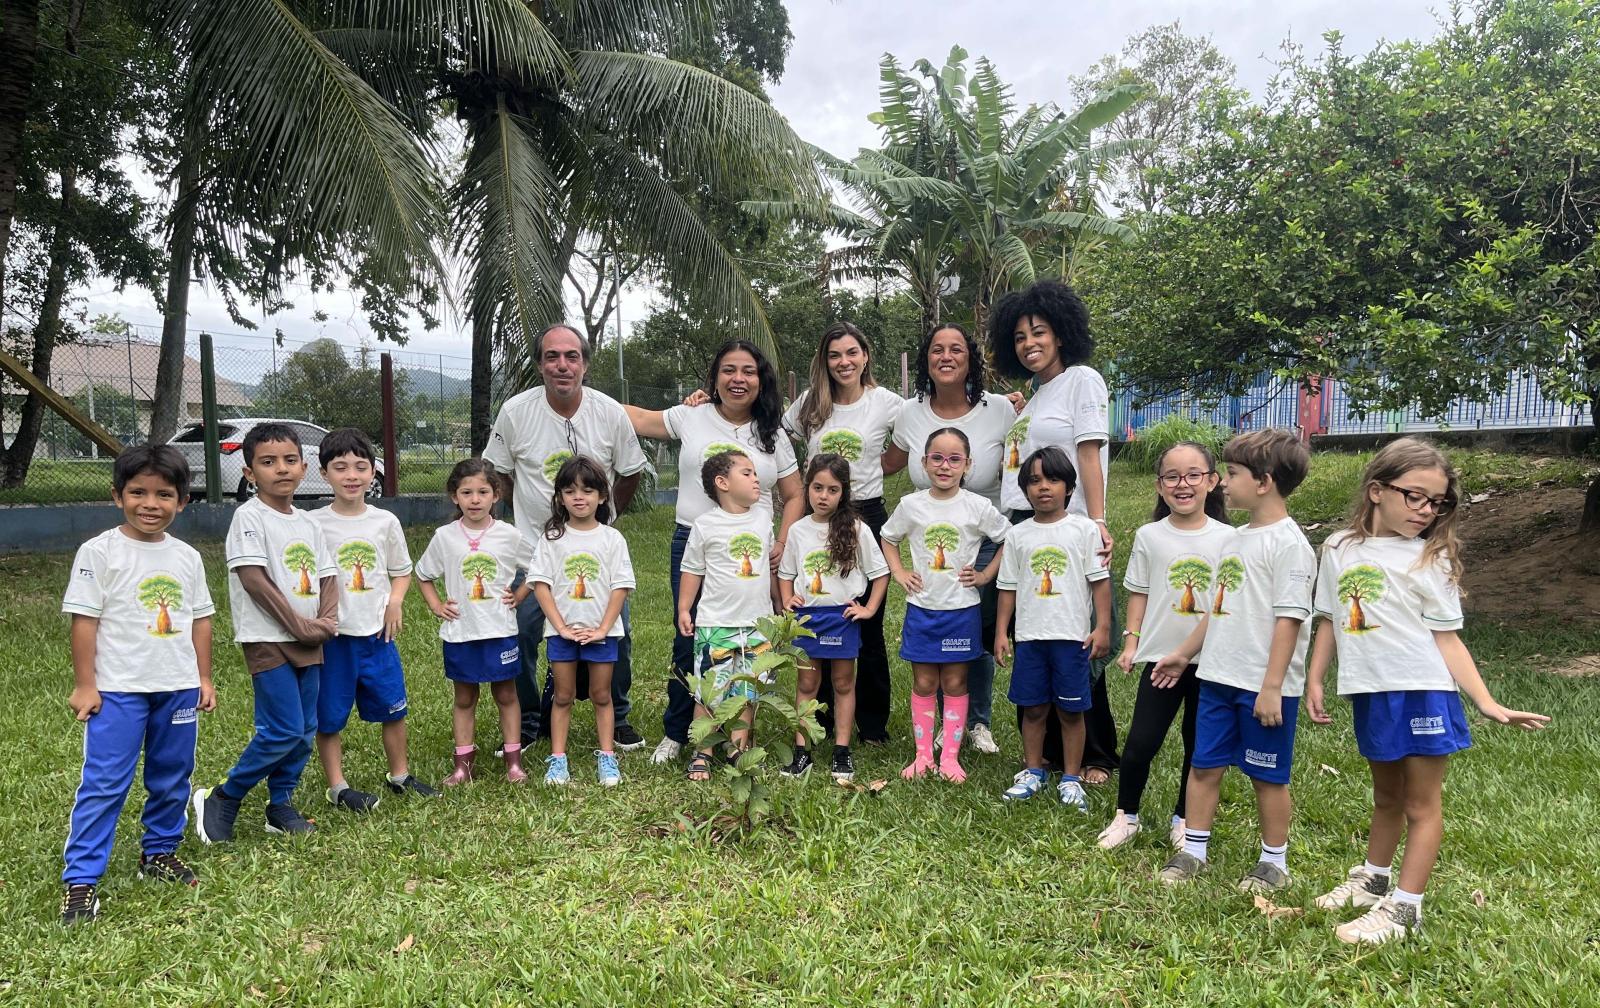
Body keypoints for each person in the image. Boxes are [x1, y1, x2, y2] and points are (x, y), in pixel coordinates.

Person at [1305, 438, 1548, 944]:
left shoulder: (1430, 557)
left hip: (1423, 693)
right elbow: (1328, 617)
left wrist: (1486, 701)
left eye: (1436, 502)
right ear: (1377, 490)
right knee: (1385, 796)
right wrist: (1314, 677)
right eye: (1413, 496)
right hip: (1369, 691)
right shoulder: (1338, 547)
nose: (1425, 511)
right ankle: (1373, 880)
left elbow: (1447, 638)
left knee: (1422, 804)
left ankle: (1406, 910)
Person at [1152, 429, 1316, 894]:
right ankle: (1193, 852)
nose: (1223, 482)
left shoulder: (1289, 545)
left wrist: (1271, 686)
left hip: (1263, 688)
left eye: (1233, 473)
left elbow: (1290, 620)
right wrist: (1185, 654)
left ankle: (1274, 862)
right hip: (1217, 679)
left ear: (1263, 482)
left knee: (1267, 777)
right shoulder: (1234, 540)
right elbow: (1216, 608)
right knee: (1204, 767)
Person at [625, 340, 803, 765]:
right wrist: (577, 392)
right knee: (689, 636)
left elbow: (794, 495)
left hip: (751, 550)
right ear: (714, 378)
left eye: (748, 371)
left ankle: (737, 735)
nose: (738, 379)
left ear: (761, 381)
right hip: (693, 541)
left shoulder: (772, 433)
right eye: (728, 370)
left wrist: (780, 542)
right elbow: (635, 418)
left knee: (750, 638)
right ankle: (680, 729)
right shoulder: (692, 415)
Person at [59, 445, 216, 924]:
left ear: (182, 501)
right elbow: (84, 620)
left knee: (172, 775)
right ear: (117, 495)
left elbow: (200, 620)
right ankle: (81, 880)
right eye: (138, 493)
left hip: (177, 688)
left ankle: (159, 852)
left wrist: (203, 677)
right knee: (105, 783)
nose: (151, 504)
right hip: (119, 690)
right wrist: (86, 685)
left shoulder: (187, 558)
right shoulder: (99, 551)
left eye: (164, 494)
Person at [484, 324, 647, 752]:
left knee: (618, 633)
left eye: (571, 356)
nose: (562, 365)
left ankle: (619, 713)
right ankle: (528, 720)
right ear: (540, 364)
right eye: (552, 356)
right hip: (530, 551)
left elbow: (631, 470)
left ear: (585, 364)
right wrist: (507, 526)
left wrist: (606, 519)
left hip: (592, 549)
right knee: (518, 632)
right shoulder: (516, 412)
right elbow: (498, 472)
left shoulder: (609, 412)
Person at [989, 279, 1119, 786]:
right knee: (1037, 636)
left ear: (1062, 333)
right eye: (1019, 337)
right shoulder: (1042, 392)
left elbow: (1088, 452)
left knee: (1080, 643)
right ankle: (1037, 758)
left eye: (1038, 332)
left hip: (1072, 525)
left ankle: (1097, 755)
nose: (1029, 344)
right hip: (1026, 526)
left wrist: (1098, 521)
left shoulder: (1083, 379)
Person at [192, 424, 337, 844]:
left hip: (311, 638)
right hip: (268, 639)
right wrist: (299, 626)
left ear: (304, 466)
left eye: (290, 460)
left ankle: (280, 804)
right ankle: (224, 796)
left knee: (306, 727)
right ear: (250, 472)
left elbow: (328, 575)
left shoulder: (309, 523)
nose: (281, 469)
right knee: (283, 729)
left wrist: (326, 621)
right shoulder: (249, 516)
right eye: (268, 462)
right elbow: (253, 578)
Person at [884, 324, 1018, 754]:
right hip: (932, 535)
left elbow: (1022, 455)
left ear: (970, 358)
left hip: (983, 533)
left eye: (956, 349)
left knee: (974, 630)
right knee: (937, 630)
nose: (946, 356)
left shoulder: (999, 409)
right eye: (937, 349)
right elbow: (883, 455)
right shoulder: (909, 413)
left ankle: (976, 722)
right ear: (926, 360)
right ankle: (938, 725)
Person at [1097, 441, 1233, 851]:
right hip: (1160, 658)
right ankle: (1127, 816)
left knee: (1199, 745)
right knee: (1141, 743)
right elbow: (1138, 592)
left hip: (1212, 661)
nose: (1182, 484)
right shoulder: (1149, 535)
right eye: (1172, 476)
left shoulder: (1230, 539)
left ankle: (1184, 818)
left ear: (1212, 481)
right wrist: (1131, 641)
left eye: (1193, 474)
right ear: (1159, 485)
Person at [781, 322, 903, 746]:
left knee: (863, 618)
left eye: (851, 353)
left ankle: (871, 724)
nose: (844, 362)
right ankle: (824, 720)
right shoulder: (811, 403)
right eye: (835, 355)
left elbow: (906, 442)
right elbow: (777, 433)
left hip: (865, 511)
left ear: (865, 355)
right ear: (824, 361)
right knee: (821, 617)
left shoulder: (886, 403)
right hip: (818, 516)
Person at [310, 428, 438, 812]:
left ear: (373, 472)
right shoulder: (312, 523)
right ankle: (338, 786)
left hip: (379, 636)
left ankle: (399, 775)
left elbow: (401, 570)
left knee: (393, 708)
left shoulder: (385, 522)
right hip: (333, 640)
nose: (351, 475)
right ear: (324, 473)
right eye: (340, 467)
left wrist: (395, 601)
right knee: (329, 716)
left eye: (360, 467)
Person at [881, 428, 1010, 783]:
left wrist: (984, 577)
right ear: (924, 463)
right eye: (936, 458)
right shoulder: (912, 505)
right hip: (922, 609)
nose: (945, 466)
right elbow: (888, 538)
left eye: (955, 459)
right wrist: (899, 571)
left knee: (954, 681)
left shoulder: (978, 506)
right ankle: (923, 756)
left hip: (962, 610)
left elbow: (1006, 539)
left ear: (967, 465)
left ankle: (950, 758)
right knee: (924, 682)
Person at [992, 447, 1111, 810]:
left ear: (1070, 488)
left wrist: (1103, 626)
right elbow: (1007, 587)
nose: (1044, 487)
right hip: (1030, 639)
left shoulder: (1084, 530)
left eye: (1053, 479)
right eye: (1034, 480)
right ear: (1025, 490)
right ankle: (1033, 770)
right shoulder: (1018, 535)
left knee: (1071, 712)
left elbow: (1100, 582)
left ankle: (1072, 777)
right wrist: (1001, 632)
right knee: (1033, 709)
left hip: (1072, 639)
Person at [415, 460, 536, 786]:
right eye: (466, 492)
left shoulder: (509, 535)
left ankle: (513, 762)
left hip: (500, 631)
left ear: (496, 495)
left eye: (483, 492)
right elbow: (424, 575)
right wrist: (437, 605)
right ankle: (463, 765)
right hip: (461, 634)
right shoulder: (444, 537)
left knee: (507, 695)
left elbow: (539, 567)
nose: (475, 499)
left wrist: (521, 594)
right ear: (455, 497)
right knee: (465, 698)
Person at [776, 453, 890, 783]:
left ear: (844, 493)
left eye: (833, 490)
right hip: (808, 619)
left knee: (842, 683)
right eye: (817, 487)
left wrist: (868, 609)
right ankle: (802, 752)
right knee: (807, 684)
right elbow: (786, 573)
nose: (823, 496)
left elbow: (880, 573)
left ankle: (842, 751)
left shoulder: (857, 528)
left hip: (842, 618)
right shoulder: (797, 530)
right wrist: (786, 599)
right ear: (808, 488)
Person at [531, 456, 635, 787]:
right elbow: (541, 585)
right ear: (560, 497)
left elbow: (621, 588)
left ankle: (607, 757)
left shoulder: (611, 539)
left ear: (602, 496)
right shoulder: (551, 537)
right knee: (562, 696)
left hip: (602, 635)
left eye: (588, 490)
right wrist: (561, 627)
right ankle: (558, 760)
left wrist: (603, 629)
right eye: (570, 490)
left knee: (601, 694)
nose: (579, 497)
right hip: (562, 635)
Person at [676, 450, 778, 782]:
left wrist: (779, 607)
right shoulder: (706, 525)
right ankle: (703, 751)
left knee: (747, 692)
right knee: (710, 691)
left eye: (755, 473)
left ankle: (737, 749)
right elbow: (692, 570)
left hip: (758, 626)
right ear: (723, 483)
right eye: (747, 473)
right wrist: (683, 608)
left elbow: (770, 570)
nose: (756, 478)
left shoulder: (763, 519)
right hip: (716, 625)